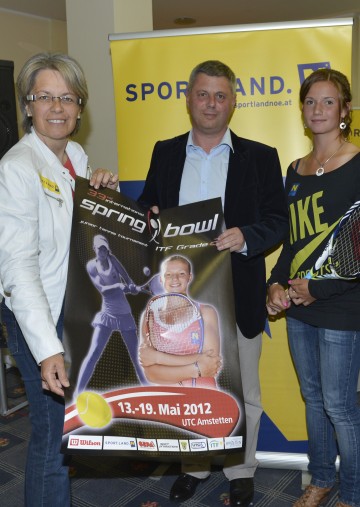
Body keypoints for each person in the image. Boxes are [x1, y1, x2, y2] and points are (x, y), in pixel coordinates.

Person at [138, 60, 288, 507]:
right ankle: (195, 465)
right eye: (203, 94)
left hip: (238, 290)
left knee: (244, 389)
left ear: (233, 102)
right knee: (190, 388)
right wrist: (149, 215)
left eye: (221, 95)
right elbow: (148, 204)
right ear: (189, 99)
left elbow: (278, 222)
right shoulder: (165, 151)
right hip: (179, 298)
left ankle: (241, 470)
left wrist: (247, 237)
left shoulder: (260, 156)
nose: (211, 103)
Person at [0, 52, 118, 507]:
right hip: (39, 317)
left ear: (80, 108)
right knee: (52, 435)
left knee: (68, 428)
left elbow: (82, 232)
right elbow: (18, 267)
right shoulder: (17, 168)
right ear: (27, 106)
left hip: (75, 308)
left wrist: (98, 187)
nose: (56, 107)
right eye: (44, 97)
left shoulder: (75, 156)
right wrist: (47, 347)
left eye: (66, 98)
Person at [266, 68, 360, 507]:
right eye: (311, 102)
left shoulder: (358, 164)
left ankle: (354, 493)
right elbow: (293, 241)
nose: (319, 109)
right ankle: (321, 480)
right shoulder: (295, 170)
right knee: (313, 398)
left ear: (344, 110)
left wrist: (316, 291)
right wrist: (275, 284)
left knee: (340, 406)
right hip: (299, 309)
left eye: (328, 102)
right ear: (302, 111)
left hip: (341, 307)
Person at [75, 233, 147, 392]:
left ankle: (149, 391)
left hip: (124, 314)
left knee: (136, 357)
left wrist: (132, 288)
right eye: (100, 249)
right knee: (93, 353)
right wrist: (120, 287)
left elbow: (128, 280)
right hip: (107, 314)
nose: (103, 252)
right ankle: (77, 394)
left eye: (105, 249)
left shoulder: (113, 260)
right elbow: (103, 290)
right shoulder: (91, 266)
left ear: (108, 250)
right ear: (94, 249)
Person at [139, 254, 221, 388]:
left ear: (190, 277)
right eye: (169, 274)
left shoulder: (206, 312)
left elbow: (211, 365)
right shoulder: (151, 316)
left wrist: (158, 358)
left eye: (181, 273)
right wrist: (197, 368)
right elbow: (151, 373)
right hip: (167, 404)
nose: (175, 279)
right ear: (161, 279)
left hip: (203, 399)